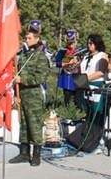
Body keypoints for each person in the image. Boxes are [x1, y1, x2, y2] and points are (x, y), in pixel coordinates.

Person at [11, 22, 52, 167]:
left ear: (36, 39)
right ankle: (24, 152)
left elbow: (41, 77)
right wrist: (16, 93)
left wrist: (23, 80)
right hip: (22, 93)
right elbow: (16, 73)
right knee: (23, 124)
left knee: (34, 124)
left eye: (29, 38)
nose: (26, 40)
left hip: (34, 94)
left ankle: (36, 154)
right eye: (26, 38)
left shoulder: (40, 56)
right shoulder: (23, 56)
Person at [56, 29, 80, 105]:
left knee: (79, 99)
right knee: (68, 98)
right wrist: (69, 62)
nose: (72, 45)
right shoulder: (62, 51)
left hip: (78, 76)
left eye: (73, 42)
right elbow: (58, 63)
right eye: (70, 43)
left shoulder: (80, 50)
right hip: (67, 77)